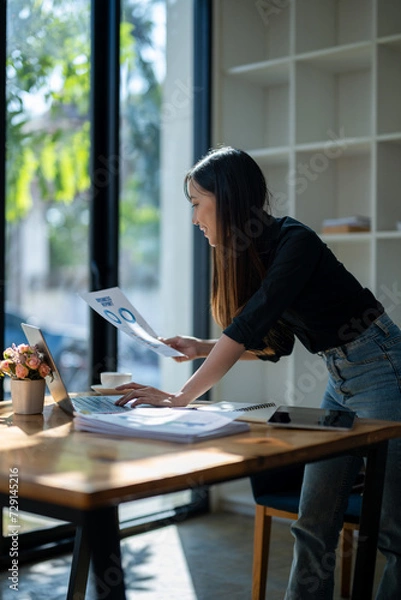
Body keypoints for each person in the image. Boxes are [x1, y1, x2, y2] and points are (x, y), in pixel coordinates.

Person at [115, 146, 401, 599]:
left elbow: (250, 326)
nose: (194, 218)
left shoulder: (295, 242)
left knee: (395, 533)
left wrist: (177, 399)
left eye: (196, 203)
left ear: (225, 199)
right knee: (313, 521)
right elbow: (274, 344)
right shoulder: (254, 254)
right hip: (340, 380)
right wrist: (201, 348)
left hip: (384, 368)